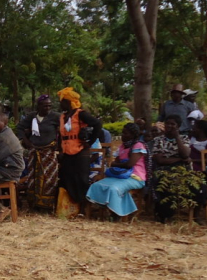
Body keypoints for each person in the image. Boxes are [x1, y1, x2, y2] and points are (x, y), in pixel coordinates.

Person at [150, 114, 207, 224]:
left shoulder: (184, 138)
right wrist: (179, 159)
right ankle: (166, 215)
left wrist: (177, 137)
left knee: (200, 184)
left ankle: (196, 215)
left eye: (173, 124)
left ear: (178, 126)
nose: (170, 126)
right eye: (167, 123)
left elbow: (185, 154)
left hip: (183, 170)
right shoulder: (159, 140)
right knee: (164, 183)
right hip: (164, 169)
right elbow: (160, 160)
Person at [56, 87, 103, 215]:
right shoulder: (63, 117)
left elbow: (97, 124)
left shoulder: (81, 114)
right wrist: (60, 150)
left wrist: (90, 142)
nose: (60, 104)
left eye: (62, 101)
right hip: (66, 152)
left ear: (68, 102)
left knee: (81, 180)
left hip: (80, 152)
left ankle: (83, 209)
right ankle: (69, 207)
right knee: (66, 178)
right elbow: (61, 135)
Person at [86, 123, 147, 217]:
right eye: (122, 133)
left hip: (135, 177)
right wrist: (119, 164)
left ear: (133, 135)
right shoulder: (123, 146)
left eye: (126, 133)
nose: (123, 135)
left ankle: (116, 214)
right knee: (96, 185)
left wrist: (116, 164)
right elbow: (119, 161)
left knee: (113, 188)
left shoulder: (138, 146)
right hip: (120, 175)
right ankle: (105, 211)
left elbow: (129, 164)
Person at [17, 95, 61, 212]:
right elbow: (20, 128)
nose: (48, 108)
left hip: (48, 152)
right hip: (34, 152)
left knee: (49, 177)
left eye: (49, 105)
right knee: (33, 177)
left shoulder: (55, 117)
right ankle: (34, 205)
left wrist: (59, 143)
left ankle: (46, 206)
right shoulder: (32, 116)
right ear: (39, 106)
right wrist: (26, 141)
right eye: (45, 105)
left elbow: (64, 130)